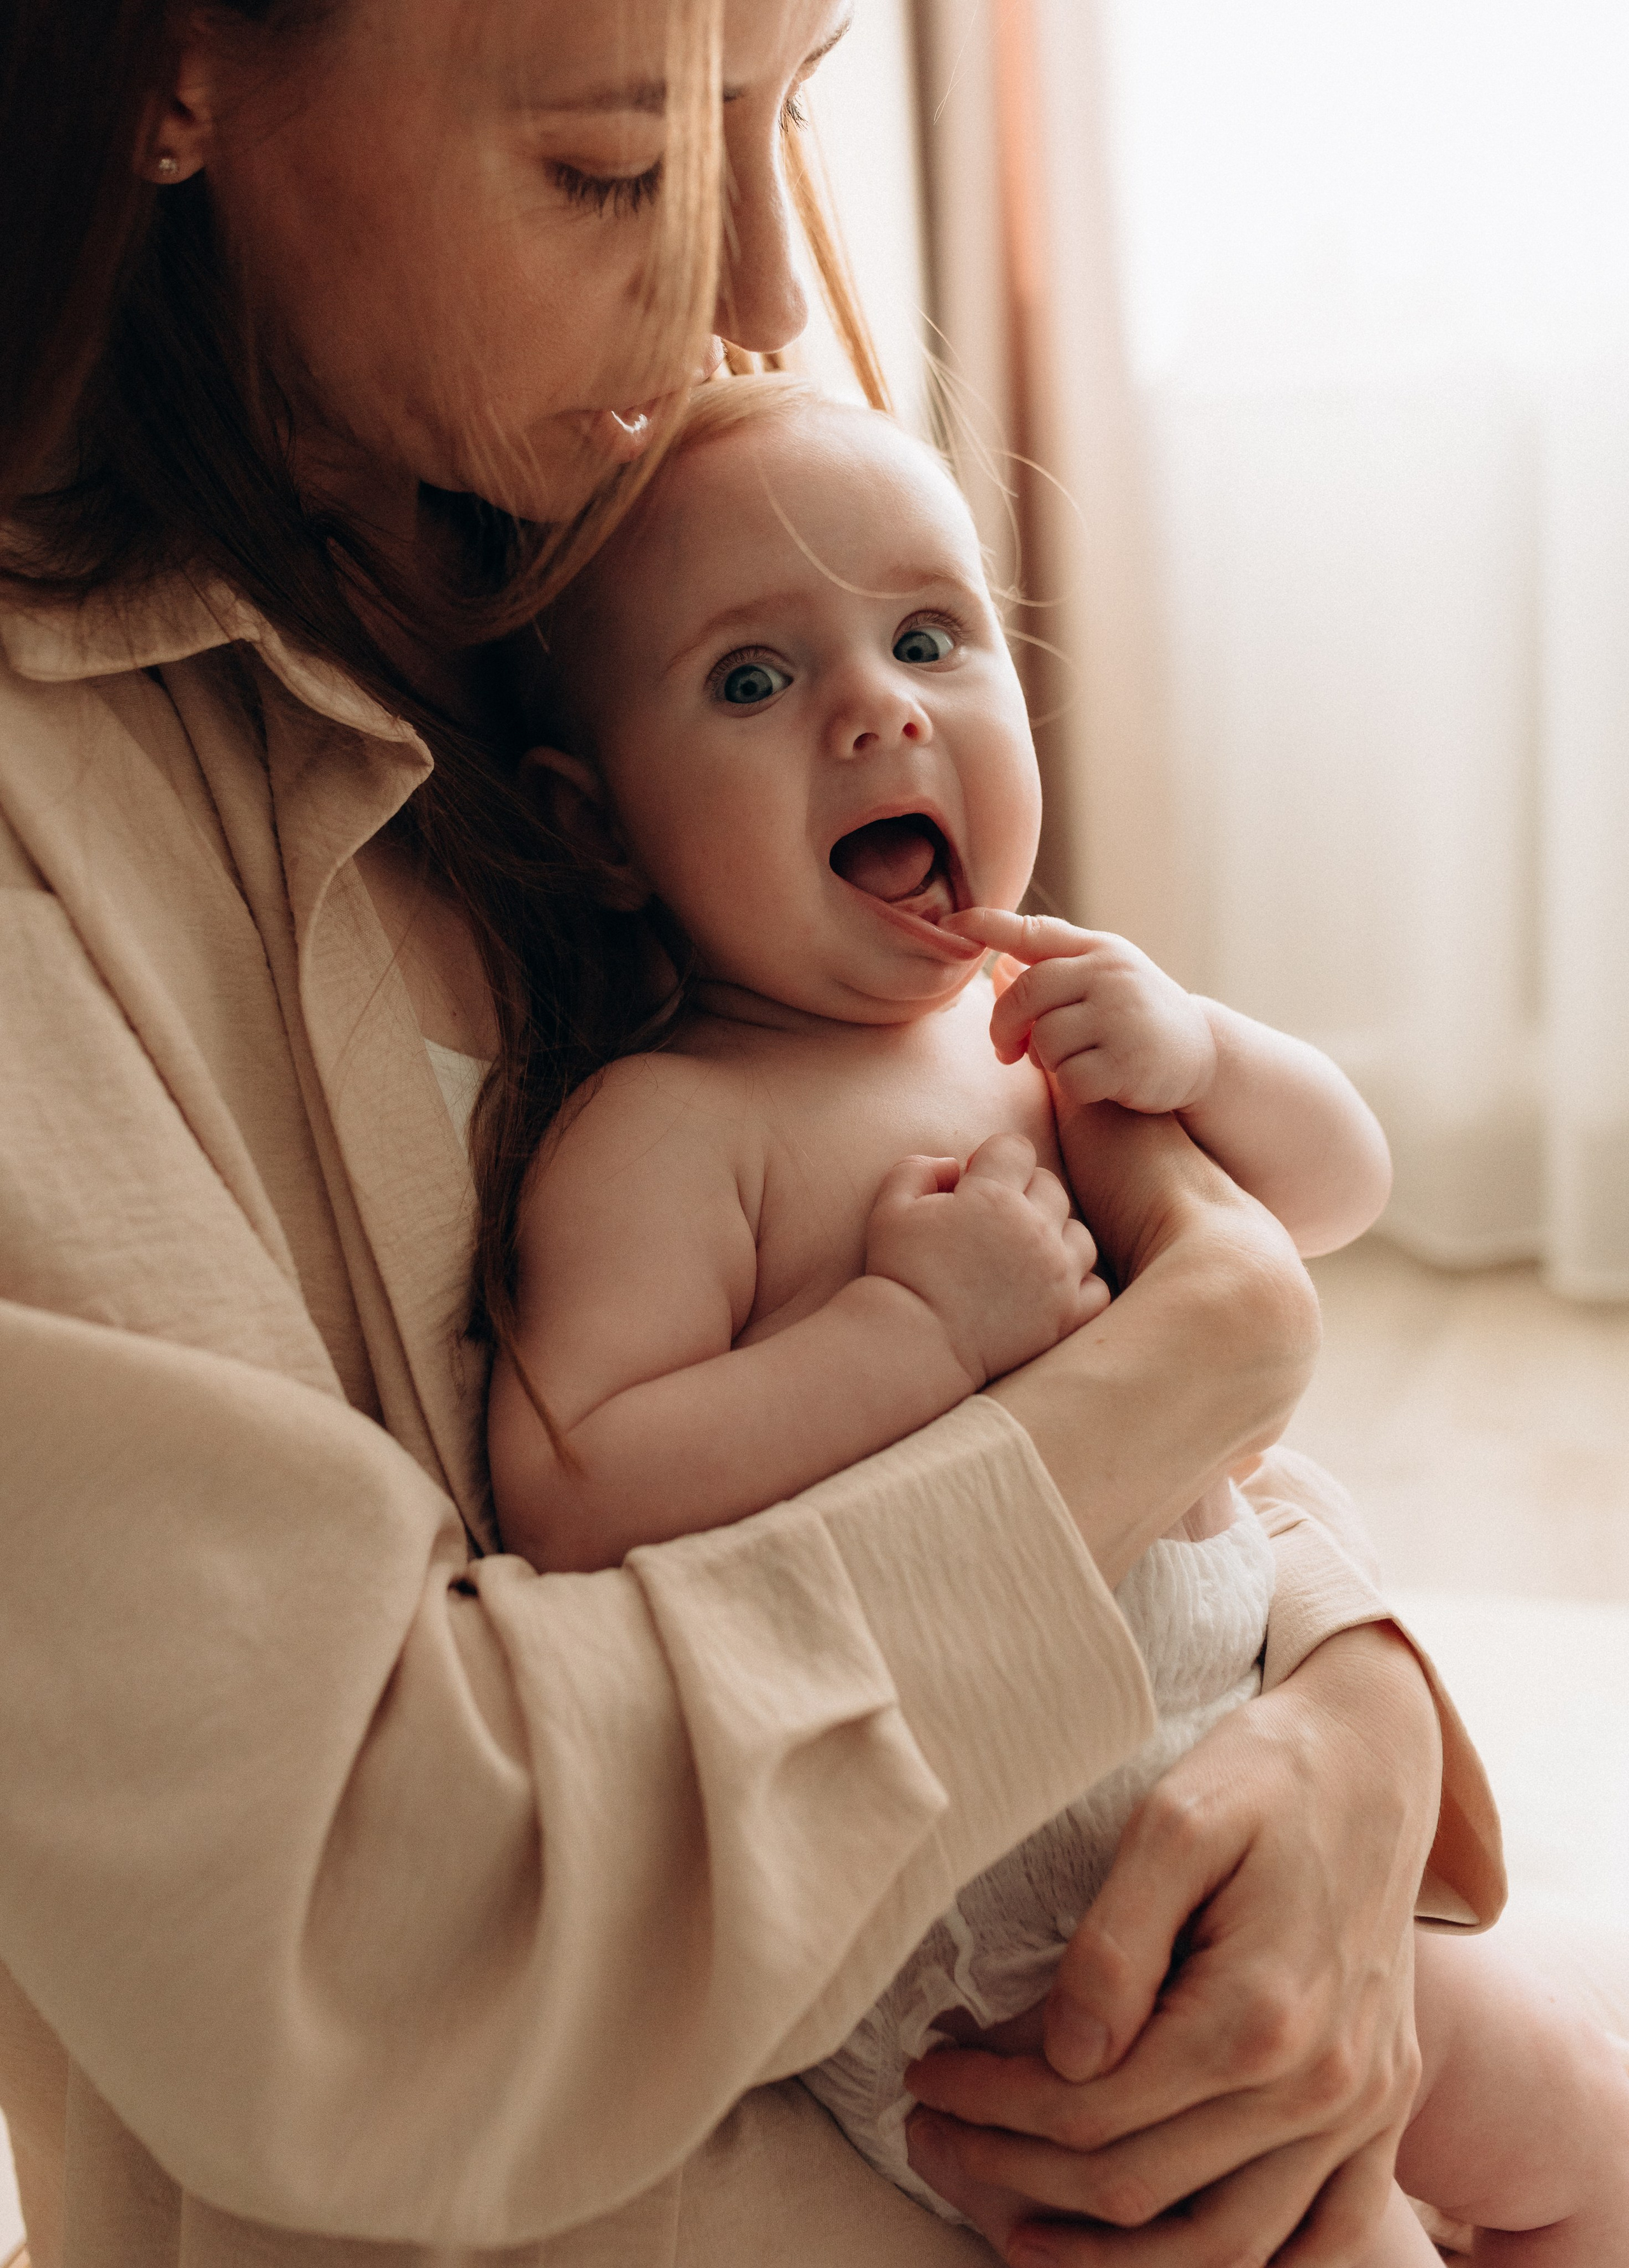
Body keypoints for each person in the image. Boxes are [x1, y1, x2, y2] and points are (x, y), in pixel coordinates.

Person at [0, 3, 1520, 2264]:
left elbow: (1135, 1298)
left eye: (783, 105)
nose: (765, 300)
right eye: (620, 166)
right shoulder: (90, 854)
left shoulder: (569, 530)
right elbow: (370, 1938)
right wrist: (1186, 1362)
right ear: (169, 77)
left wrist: (1344, 1703)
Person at [486, 377, 1629, 2262]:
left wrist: (1205, 1049)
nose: (877, 704)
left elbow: (1331, 1193)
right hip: (1012, 1962)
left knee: (1565, 2105)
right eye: (752, 682)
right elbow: (575, 1487)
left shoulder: (1028, 1028)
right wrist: (905, 1337)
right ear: (596, 825)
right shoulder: (667, 1130)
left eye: (930, 635)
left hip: (1234, 1778)